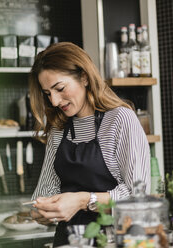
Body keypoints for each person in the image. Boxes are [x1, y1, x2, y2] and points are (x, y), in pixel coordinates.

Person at [29, 42, 151, 247]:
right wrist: (42, 210)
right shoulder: (58, 129)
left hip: (115, 239)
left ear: (84, 77)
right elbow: (45, 191)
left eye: (59, 88)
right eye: (48, 93)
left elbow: (138, 197)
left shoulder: (120, 120)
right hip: (68, 241)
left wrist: (82, 201)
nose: (55, 101)